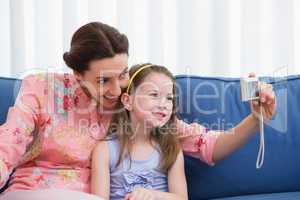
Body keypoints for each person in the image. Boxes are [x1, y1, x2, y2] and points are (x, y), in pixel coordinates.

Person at [0, 21, 276, 199]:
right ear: (76, 74)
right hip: (33, 192)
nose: (115, 89)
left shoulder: (132, 104)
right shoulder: (41, 89)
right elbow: (7, 144)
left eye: (121, 75)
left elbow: (208, 144)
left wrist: (255, 118)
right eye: (102, 81)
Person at [91, 64, 188, 200]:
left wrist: (153, 195)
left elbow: (182, 198)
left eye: (169, 98)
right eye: (154, 95)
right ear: (128, 101)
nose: (163, 104)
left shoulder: (171, 148)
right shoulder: (105, 150)